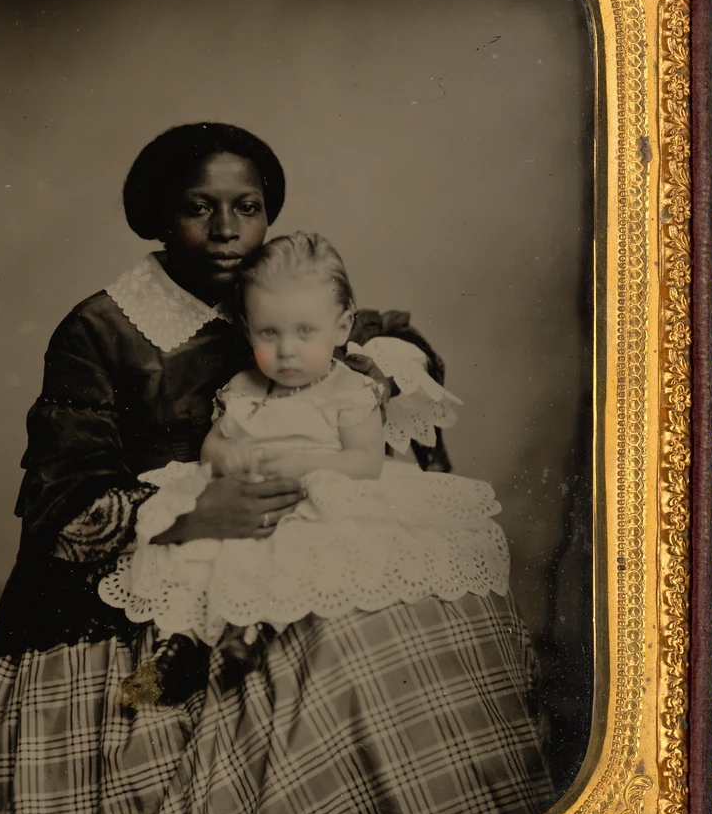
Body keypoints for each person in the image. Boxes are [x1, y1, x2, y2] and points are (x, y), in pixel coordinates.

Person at [0, 122, 553, 814]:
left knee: (393, 618)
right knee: (332, 643)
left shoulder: (269, 290)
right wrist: (192, 515)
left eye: (246, 208)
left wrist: (388, 355)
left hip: (279, 543)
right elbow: (61, 514)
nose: (223, 231)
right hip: (147, 573)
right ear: (156, 217)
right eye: (196, 208)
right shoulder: (100, 330)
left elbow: (361, 325)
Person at [99, 231, 510, 649]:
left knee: (306, 561)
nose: (286, 351)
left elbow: (366, 461)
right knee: (201, 557)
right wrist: (227, 456)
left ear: (341, 327)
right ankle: (186, 643)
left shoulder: (349, 389)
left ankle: (259, 641)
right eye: (268, 333)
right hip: (247, 508)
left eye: (305, 332)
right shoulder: (244, 386)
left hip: (319, 503)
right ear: (247, 329)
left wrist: (302, 466)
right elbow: (212, 445)